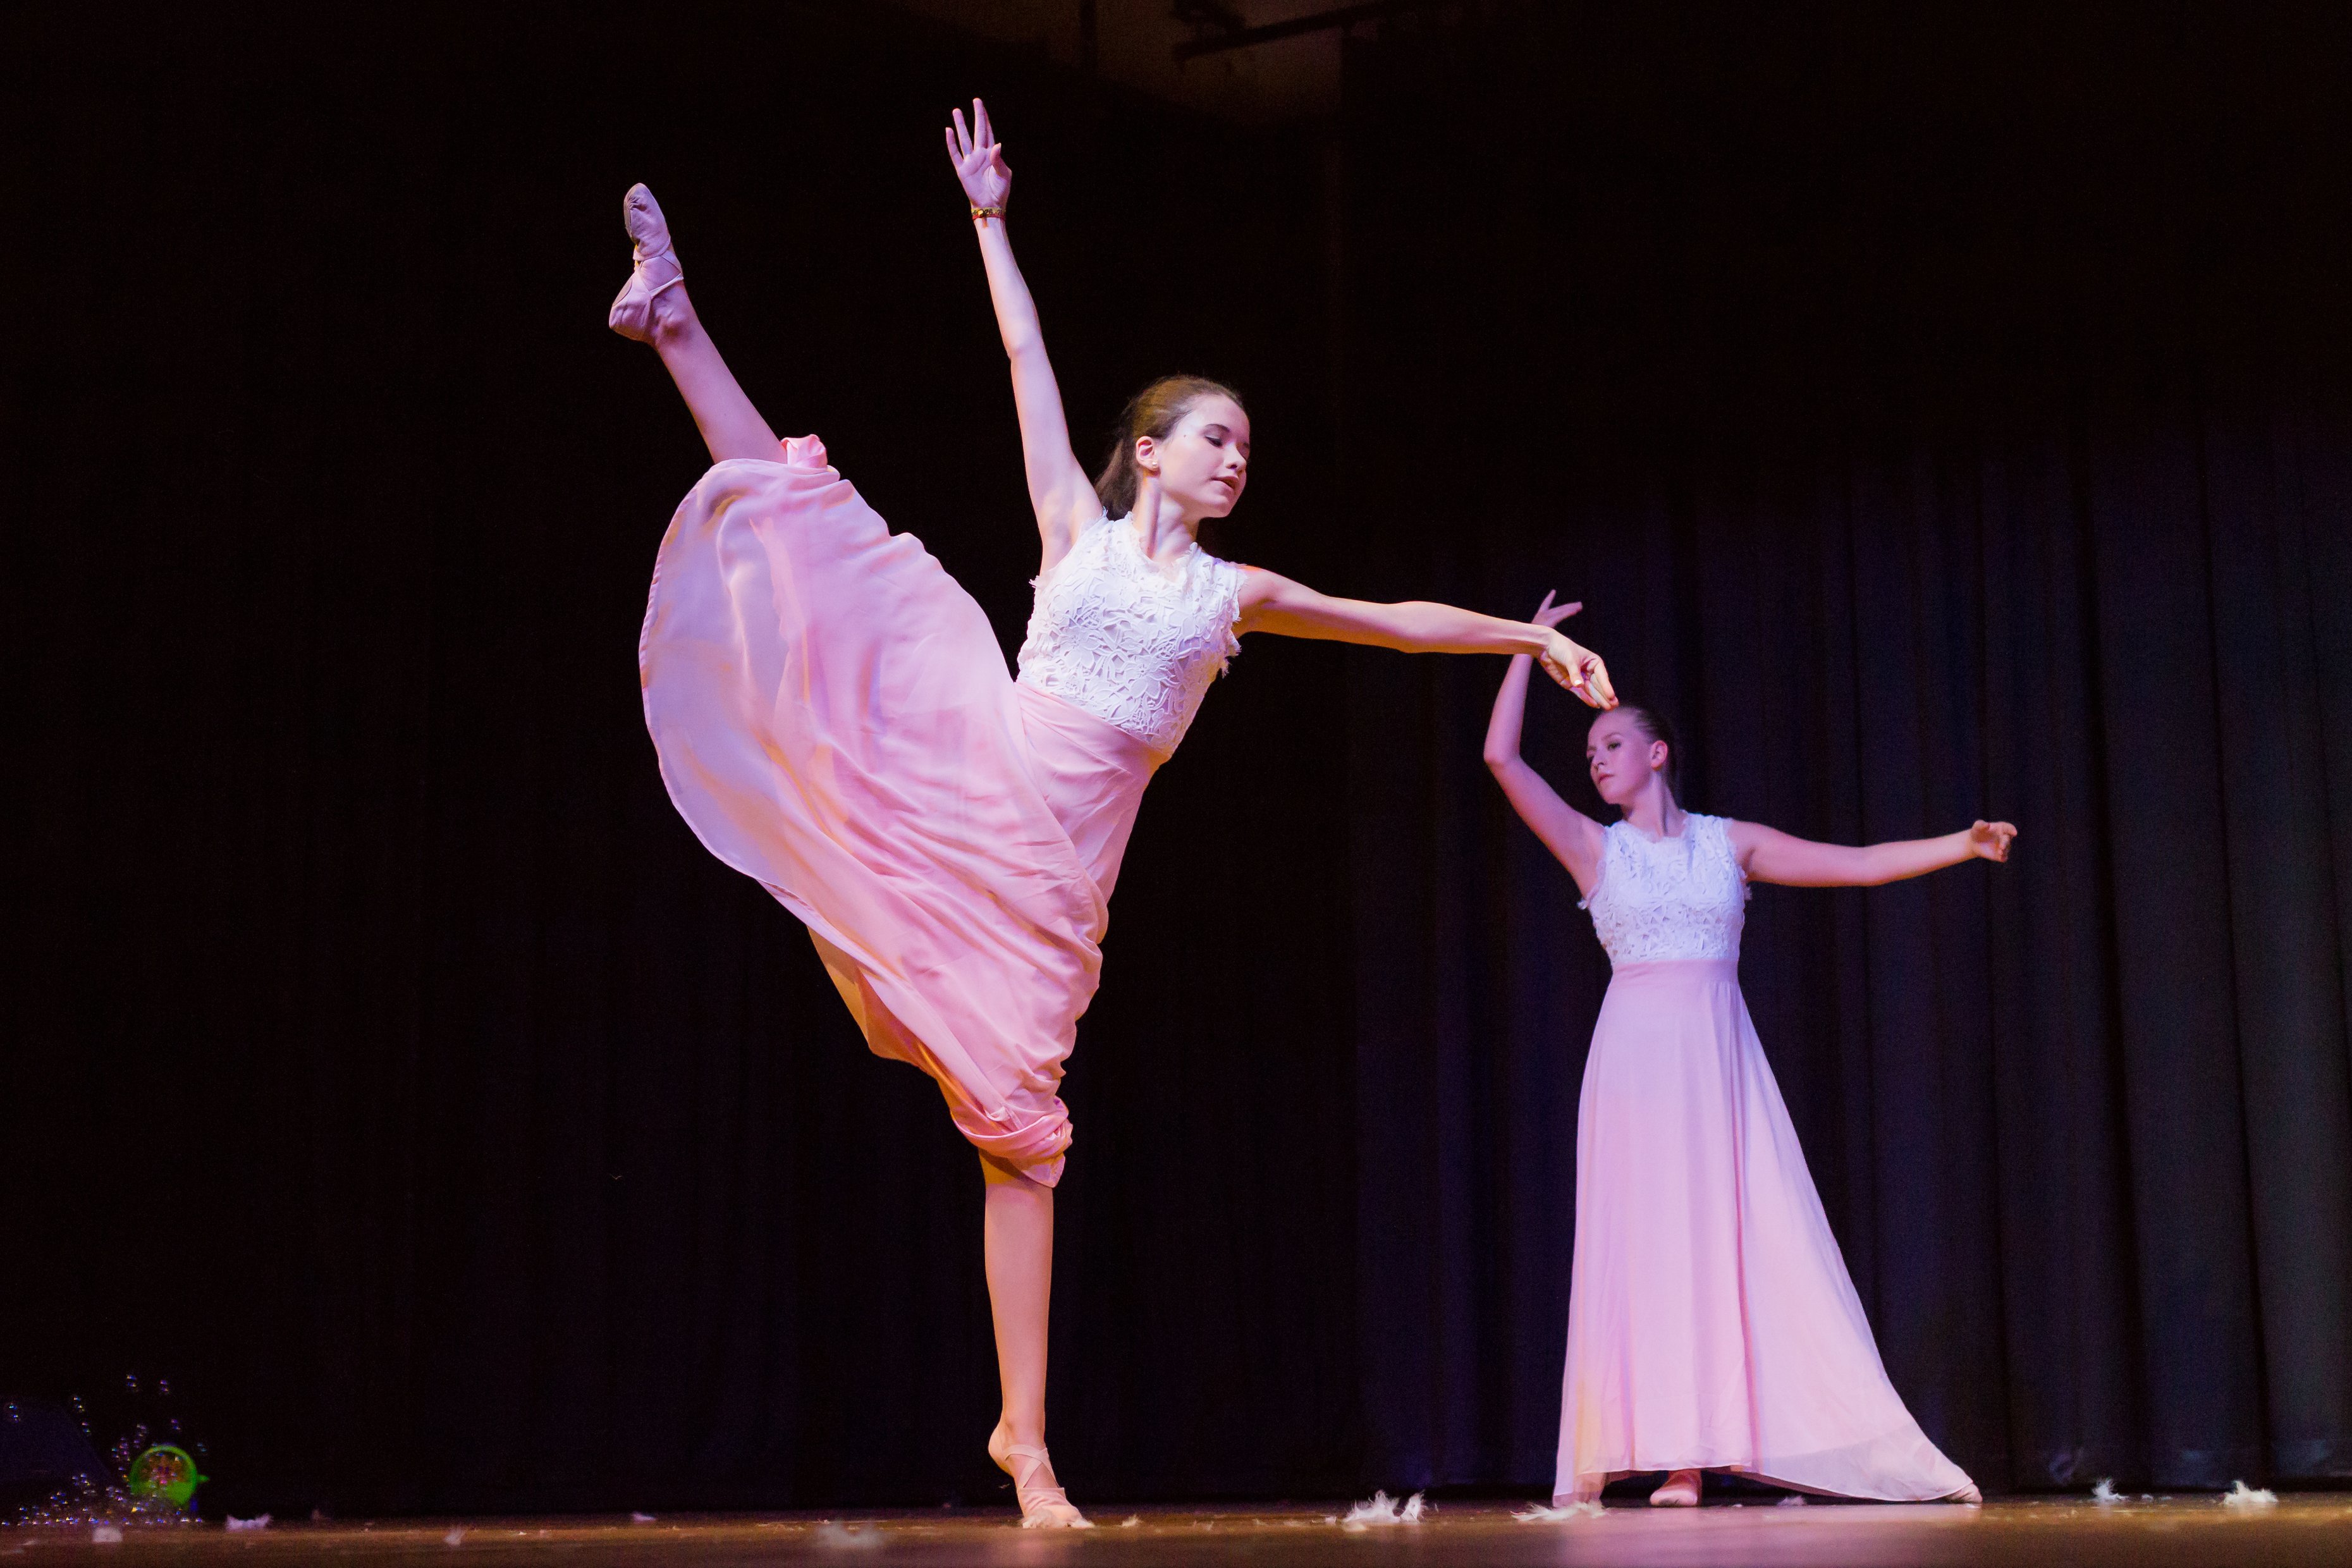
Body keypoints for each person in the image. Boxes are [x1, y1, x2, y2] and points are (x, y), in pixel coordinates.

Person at [611, 101, 1619, 1526]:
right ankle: (675, 324)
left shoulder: (1234, 595)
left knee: (1018, 1137)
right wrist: (989, 219)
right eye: (1216, 438)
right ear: (1148, 449)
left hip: (1057, 877)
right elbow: (1024, 355)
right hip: (975, 775)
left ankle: (1021, 1439)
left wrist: (1525, 638)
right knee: (809, 529)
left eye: (1247, 448)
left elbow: (1392, 620)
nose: (1236, 459)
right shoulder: (1071, 531)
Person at [1483, 593, 2011, 1509]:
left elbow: (1856, 864)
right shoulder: (1595, 851)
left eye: (1611, 744)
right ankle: (1674, 1460)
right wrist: (1530, 648)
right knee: (1650, 1247)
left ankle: (1720, 1444)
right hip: (1637, 1070)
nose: (1595, 760)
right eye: (1589, 752)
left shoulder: (1730, 844)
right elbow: (1501, 758)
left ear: (1657, 754)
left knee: (1732, 1242)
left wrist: (1960, 846)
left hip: (1718, 1064)